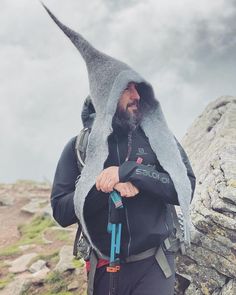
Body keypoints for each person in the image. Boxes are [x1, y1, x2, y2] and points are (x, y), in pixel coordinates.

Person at [43, 4, 196, 295]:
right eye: (127, 89)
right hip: (102, 269)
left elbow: (185, 187)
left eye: (138, 88)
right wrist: (102, 186)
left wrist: (132, 173)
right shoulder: (78, 148)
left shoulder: (158, 140)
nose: (137, 96)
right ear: (106, 94)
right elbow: (61, 212)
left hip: (154, 264)